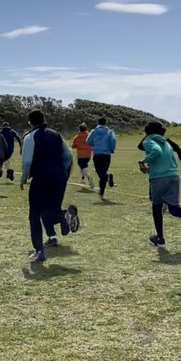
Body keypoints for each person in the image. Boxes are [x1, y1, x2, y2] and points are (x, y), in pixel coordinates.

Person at [20, 109, 78, 263]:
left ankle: (39, 251)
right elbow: (68, 156)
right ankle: (66, 215)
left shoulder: (29, 137)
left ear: (30, 122)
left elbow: (26, 162)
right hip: (59, 178)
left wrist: (24, 178)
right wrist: (62, 173)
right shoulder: (55, 134)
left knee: (34, 215)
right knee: (49, 212)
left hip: (41, 178)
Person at [139, 122, 181, 248]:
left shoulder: (148, 141)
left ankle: (160, 239)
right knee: (174, 209)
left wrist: (143, 161)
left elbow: (156, 151)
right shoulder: (166, 142)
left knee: (156, 207)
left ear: (147, 132)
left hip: (159, 178)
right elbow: (172, 159)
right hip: (173, 176)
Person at [86, 117, 116, 198]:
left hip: (97, 154)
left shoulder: (94, 131)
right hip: (107, 154)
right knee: (103, 172)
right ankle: (102, 190)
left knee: (100, 172)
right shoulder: (110, 132)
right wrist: (112, 149)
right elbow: (113, 140)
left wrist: (93, 145)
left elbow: (88, 141)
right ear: (105, 123)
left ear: (98, 123)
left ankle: (103, 186)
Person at [71, 124, 94, 188]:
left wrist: (78, 145)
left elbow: (73, 146)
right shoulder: (89, 136)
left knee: (82, 165)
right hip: (88, 154)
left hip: (81, 155)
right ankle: (83, 178)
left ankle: (88, 177)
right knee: (84, 166)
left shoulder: (77, 137)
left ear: (79, 129)